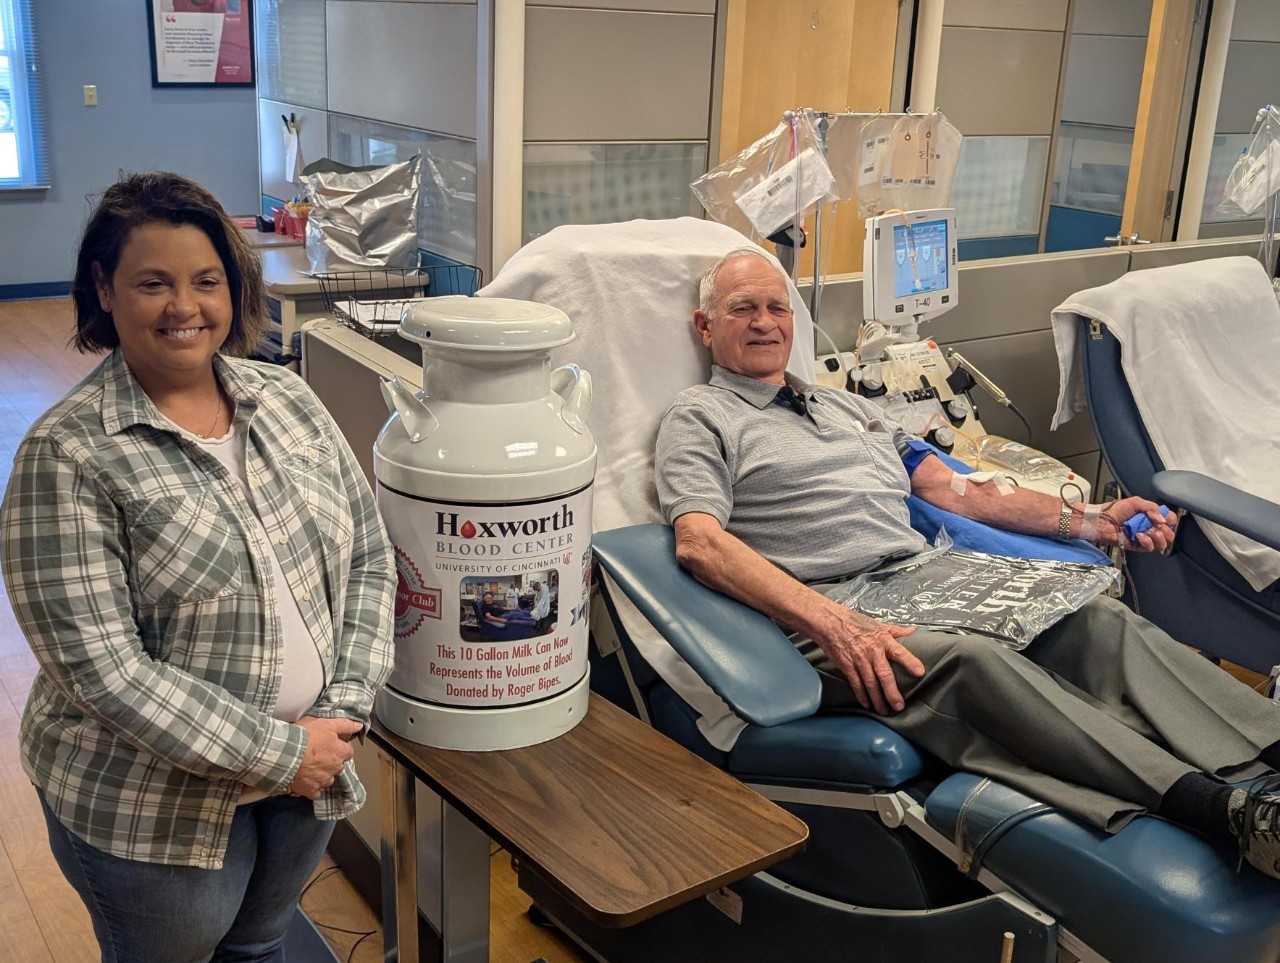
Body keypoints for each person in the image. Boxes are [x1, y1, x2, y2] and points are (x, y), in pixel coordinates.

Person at [655, 248, 1280, 881]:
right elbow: (700, 543)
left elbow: (956, 489)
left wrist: (1094, 520)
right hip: (826, 609)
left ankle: (1269, 756)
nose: (764, 322)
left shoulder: (845, 407)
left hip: (923, 578)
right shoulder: (701, 417)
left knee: (1093, 621)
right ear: (706, 327)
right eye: (742, 308)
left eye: (776, 307)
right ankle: (1222, 811)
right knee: (974, 663)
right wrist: (834, 623)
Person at [0, 171, 396, 961]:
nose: (185, 307)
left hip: (307, 773)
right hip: (150, 804)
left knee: (256, 946)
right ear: (104, 290)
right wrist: (284, 753)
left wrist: (342, 712)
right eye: (153, 282)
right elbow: (105, 671)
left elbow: (368, 556)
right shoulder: (68, 454)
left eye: (205, 280)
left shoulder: (287, 400)